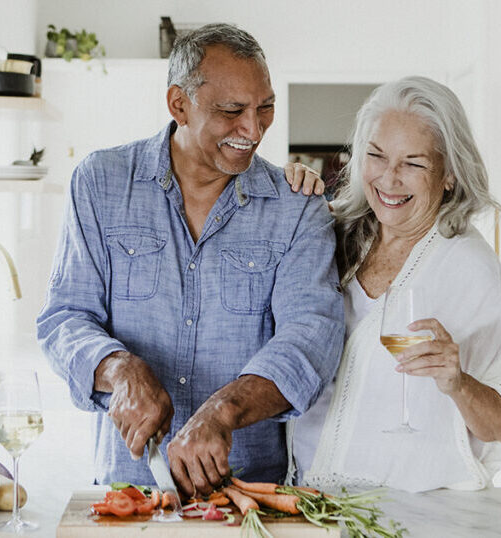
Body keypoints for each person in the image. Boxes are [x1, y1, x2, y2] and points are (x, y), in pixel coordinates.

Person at [36, 23, 344, 496]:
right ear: (178, 104)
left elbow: (310, 340)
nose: (253, 129)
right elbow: (64, 318)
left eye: (265, 108)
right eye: (231, 111)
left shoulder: (297, 206)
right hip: (128, 489)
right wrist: (119, 369)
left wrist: (223, 411)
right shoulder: (100, 183)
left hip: (249, 496)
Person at [285, 76, 501, 493]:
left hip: (407, 514)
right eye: (377, 156)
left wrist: (458, 382)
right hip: (306, 498)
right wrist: (287, 192)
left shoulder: (471, 270)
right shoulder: (335, 234)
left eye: (413, 164)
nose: (389, 178)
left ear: (449, 174)